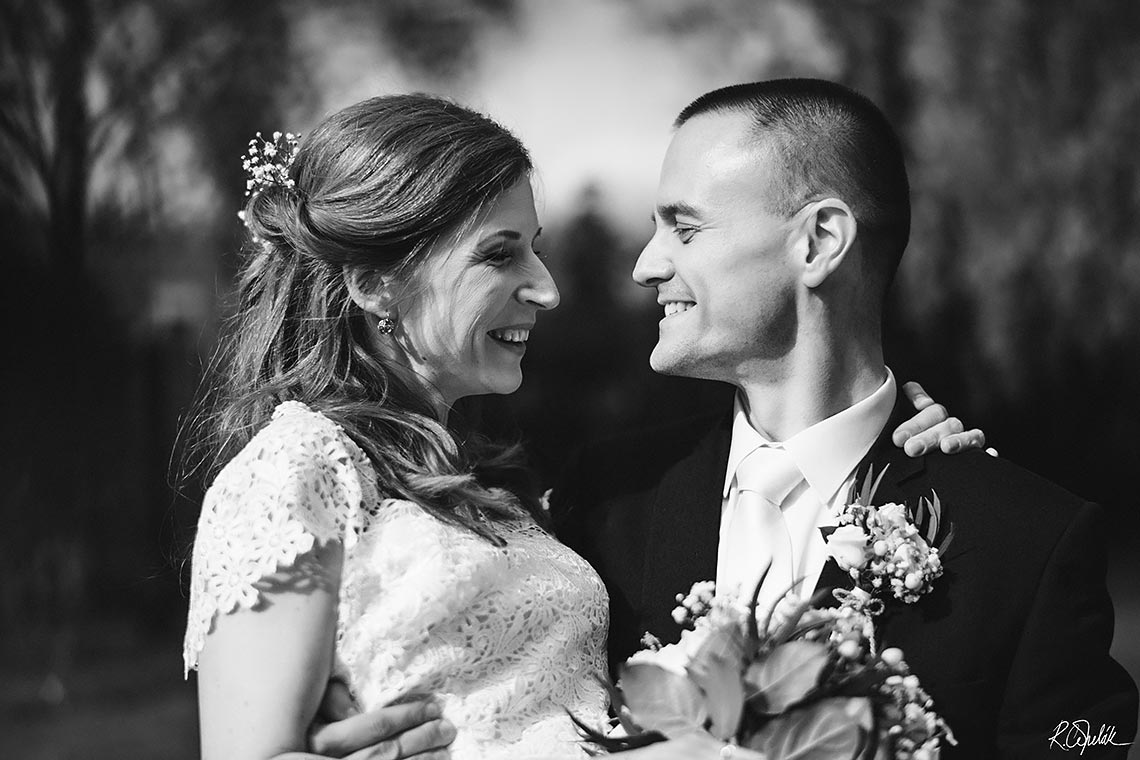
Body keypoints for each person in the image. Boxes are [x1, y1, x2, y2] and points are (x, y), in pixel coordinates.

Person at [183, 92, 984, 760]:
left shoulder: (504, 484)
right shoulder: (293, 466)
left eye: (535, 248)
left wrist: (902, 449)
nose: (547, 288)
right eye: (500, 255)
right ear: (372, 282)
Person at [551, 79, 1138, 759]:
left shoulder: (1027, 541)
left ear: (820, 241)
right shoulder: (605, 497)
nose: (646, 266)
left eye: (684, 227)